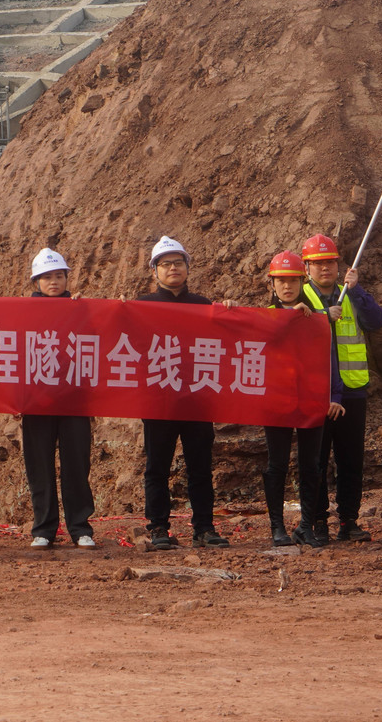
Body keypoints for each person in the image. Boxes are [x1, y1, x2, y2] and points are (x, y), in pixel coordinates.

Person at [295, 233, 382, 547]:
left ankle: (349, 521)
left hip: (351, 390)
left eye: (330, 262)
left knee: (350, 460)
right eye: (318, 263)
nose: (325, 268)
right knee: (315, 461)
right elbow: (284, 327)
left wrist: (357, 290)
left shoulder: (350, 294)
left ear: (339, 265)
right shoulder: (301, 295)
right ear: (306, 267)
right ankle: (317, 521)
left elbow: (377, 321)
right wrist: (323, 317)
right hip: (315, 392)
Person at [138, 235, 227, 551]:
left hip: (197, 398)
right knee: (157, 468)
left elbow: (229, 339)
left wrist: (229, 312)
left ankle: (204, 528)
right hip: (159, 399)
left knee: (200, 466)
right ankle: (158, 528)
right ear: (155, 271)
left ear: (187, 268)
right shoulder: (141, 306)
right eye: (166, 264)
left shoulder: (204, 306)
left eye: (178, 263)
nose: (173, 268)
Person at [19, 248, 96, 550]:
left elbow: (100, 339)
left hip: (75, 400)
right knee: (40, 467)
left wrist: (85, 309)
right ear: (36, 282)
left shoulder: (80, 309)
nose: (54, 281)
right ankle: (44, 529)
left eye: (59, 276)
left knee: (77, 465)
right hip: (37, 401)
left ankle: (80, 528)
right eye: (47, 277)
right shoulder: (23, 313)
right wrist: (15, 398)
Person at [259, 250, 324, 548]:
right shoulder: (262, 317)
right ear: (272, 284)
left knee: (311, 463)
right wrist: (288, 317)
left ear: (302, 282)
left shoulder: (315, 317)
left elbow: (328, 357)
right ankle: (277, 527)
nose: (287, 286)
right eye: (281, 281)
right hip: (276, 400)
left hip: (309, 397)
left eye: (293, 280)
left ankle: (306, 526)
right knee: (278, 464)